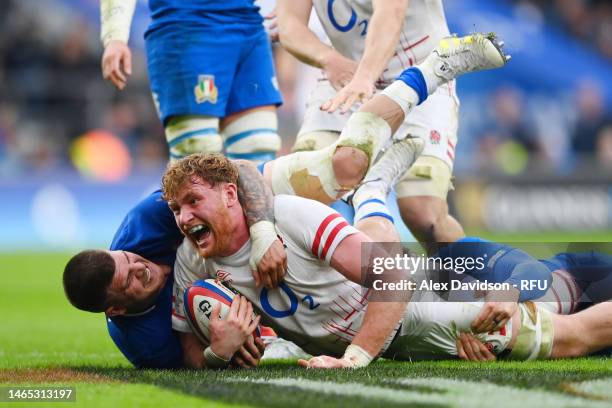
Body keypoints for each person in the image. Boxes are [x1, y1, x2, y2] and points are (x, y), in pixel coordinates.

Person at [165, 153, 612, 369]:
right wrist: (215, 351)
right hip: (394, 324)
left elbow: (394, 277)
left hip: (427, 298)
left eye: (192, 202)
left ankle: (373, 189)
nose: (184, 218)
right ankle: (372, 193)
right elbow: (194, 360)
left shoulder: (291, 215)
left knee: (568, 328)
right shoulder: (191, 261)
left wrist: (355, 357)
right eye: (175, 210)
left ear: (230, 196)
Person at [277, 0, 479, 252]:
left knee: (423, 214)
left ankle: (475, 280)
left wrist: (365, 77)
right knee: (304, 192)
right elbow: (288, 24)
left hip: (423, 75)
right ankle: (353, 283)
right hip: (346, 76)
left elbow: (391, 14)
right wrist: (328, 59)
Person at [63, 160, 287, 368]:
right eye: (129, 279)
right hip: (264, 313)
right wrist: (218, 352)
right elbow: (193, 362)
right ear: (117, 309)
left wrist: (263, 235)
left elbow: (244, 171)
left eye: (128, 258)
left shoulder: (145, 222)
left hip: (280, 251)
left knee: (292, 174)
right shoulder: (146, 344)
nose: (140, 268)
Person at [99, 0, 282, 163]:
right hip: (187, 30)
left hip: (250, 27)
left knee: (258, 146)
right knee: (197, 157)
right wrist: (115, 36)